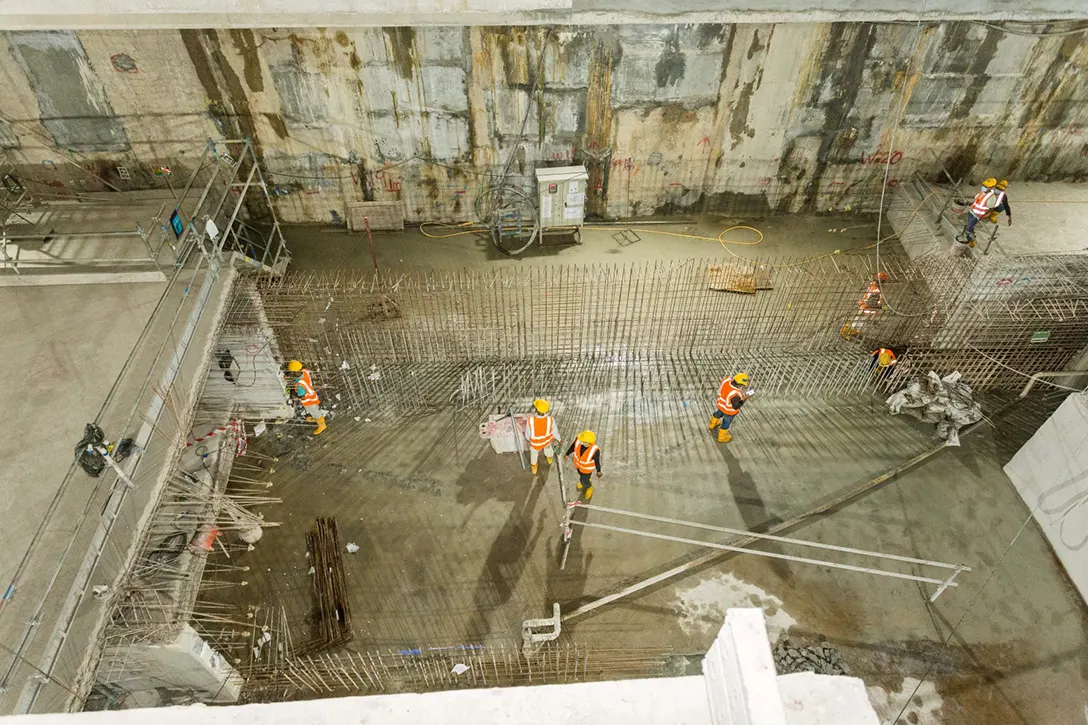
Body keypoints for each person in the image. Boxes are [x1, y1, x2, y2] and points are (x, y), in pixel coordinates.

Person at [955, 177, 999, 255]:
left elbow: (990, 208)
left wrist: (983, 215)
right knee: (970, 227)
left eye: (986, 187)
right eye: (984, 185)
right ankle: (971, 239)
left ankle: (972, 240)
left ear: (991, 187)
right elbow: (977, 201)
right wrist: (970, 203)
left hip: (977, 215)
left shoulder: (991, 197)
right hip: (971, 212)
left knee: (968, 229)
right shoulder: (981, 193)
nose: (984, 187)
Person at [286, 360, 327, 435]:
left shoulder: (300, 385)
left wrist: (293, 393)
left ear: (296, 372)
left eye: (292, 373)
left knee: (315, 412)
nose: (291, 375)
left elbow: (301, 396)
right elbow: (302, 371)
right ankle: (316, 418)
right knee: (315, 411)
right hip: (312, 397)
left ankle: (322, 425)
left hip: (309, 401)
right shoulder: (304, 372)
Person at [708, 372, 750, 443]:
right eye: (742, 385)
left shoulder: (726, 381)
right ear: (740, 384)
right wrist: (744, 398)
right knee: (726, 423)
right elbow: (736, 406)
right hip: (729, 411)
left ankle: (712, 424)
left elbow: (727, 378)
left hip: (721, 405)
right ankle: (722, 437)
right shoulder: (735, 394)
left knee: (718, 414)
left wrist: (742, 376)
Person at [525, 398, 560, 475]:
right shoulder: (551, 419)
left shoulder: (530, 420)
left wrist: (529, 440)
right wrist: (559, 439)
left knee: (534, 454)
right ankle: (549, 458)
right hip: (546, 441)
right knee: (548, 449)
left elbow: (527, 434)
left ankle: (534, 467)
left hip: (535, 443)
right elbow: (555, 431)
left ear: (536, 410)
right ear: (546, 411)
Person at [565, 430, 602, 500]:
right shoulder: (579, 439)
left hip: (586, 470)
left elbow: (597, 461)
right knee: (582, 476)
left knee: (584, 479)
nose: (580, 441)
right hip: (578, 466)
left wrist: (598, 471)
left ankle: (589, 487)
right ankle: (586, 480)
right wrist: (567, 453)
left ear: (588, 443)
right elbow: (573, 446)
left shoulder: (594, 450)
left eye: (583, 441)